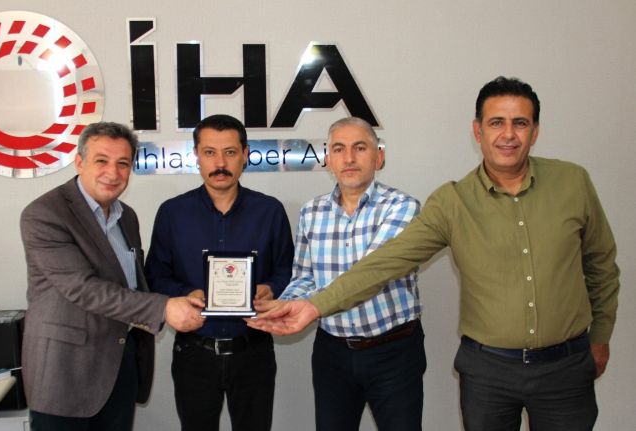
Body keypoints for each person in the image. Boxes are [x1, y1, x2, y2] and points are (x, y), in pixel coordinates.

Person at [249, 77, 620, 431]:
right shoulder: (452, 201)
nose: (508, 134)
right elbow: (384, 264)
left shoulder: (573, 182)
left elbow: (601, 263)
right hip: (488, 372)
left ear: (535, 131)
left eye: (519, 123)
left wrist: (600, 336)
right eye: (496, 123)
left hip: (564, 368)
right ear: (478, 131)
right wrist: (310, 305)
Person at [20, 122, 205, 431]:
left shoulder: (126, 216)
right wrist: (164, 308)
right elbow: (83, 288)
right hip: (65, 371)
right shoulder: (45, 214)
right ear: (80, 162)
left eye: (123, 163)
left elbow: (132, 284)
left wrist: (182, 297)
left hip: (120, 364)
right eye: (101, 160)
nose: (113, 172)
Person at [145, 114, 294, 431]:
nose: (220, 163)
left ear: (245, 154)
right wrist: (185, 295)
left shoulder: (270, 211)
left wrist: (270, 288)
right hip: (194, 352)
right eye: (210, 152)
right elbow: (155, 275)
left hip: (253, 350)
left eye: (230, 152)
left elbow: (287, 268)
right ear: (196, 156)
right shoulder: (172, 213)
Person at [277, 117, 424, 430]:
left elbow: (372, 274)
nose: (349, 158)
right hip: (332, 352)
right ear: (328, 160)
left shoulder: (403, 207)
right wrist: (283, 307)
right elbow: (304, 277)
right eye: (339, 149)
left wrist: (311, 307)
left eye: (360, 147)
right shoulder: (311, 212)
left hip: (393, 351)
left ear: (379, 157)